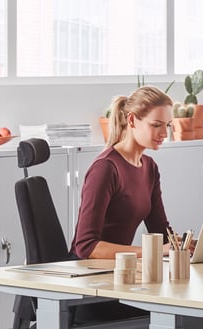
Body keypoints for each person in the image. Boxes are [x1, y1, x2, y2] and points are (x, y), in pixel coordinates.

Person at [69, 85, 174, 323]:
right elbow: (86, 247)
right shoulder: (106, 168)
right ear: (132, 120)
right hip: (92, 286)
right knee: (176, 312)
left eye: (167, 126)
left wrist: (185, 246)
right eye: (156, 125)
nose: (164, 133)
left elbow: (161, 230)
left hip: (121, 277)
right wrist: (152, 251)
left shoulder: (149, 167)